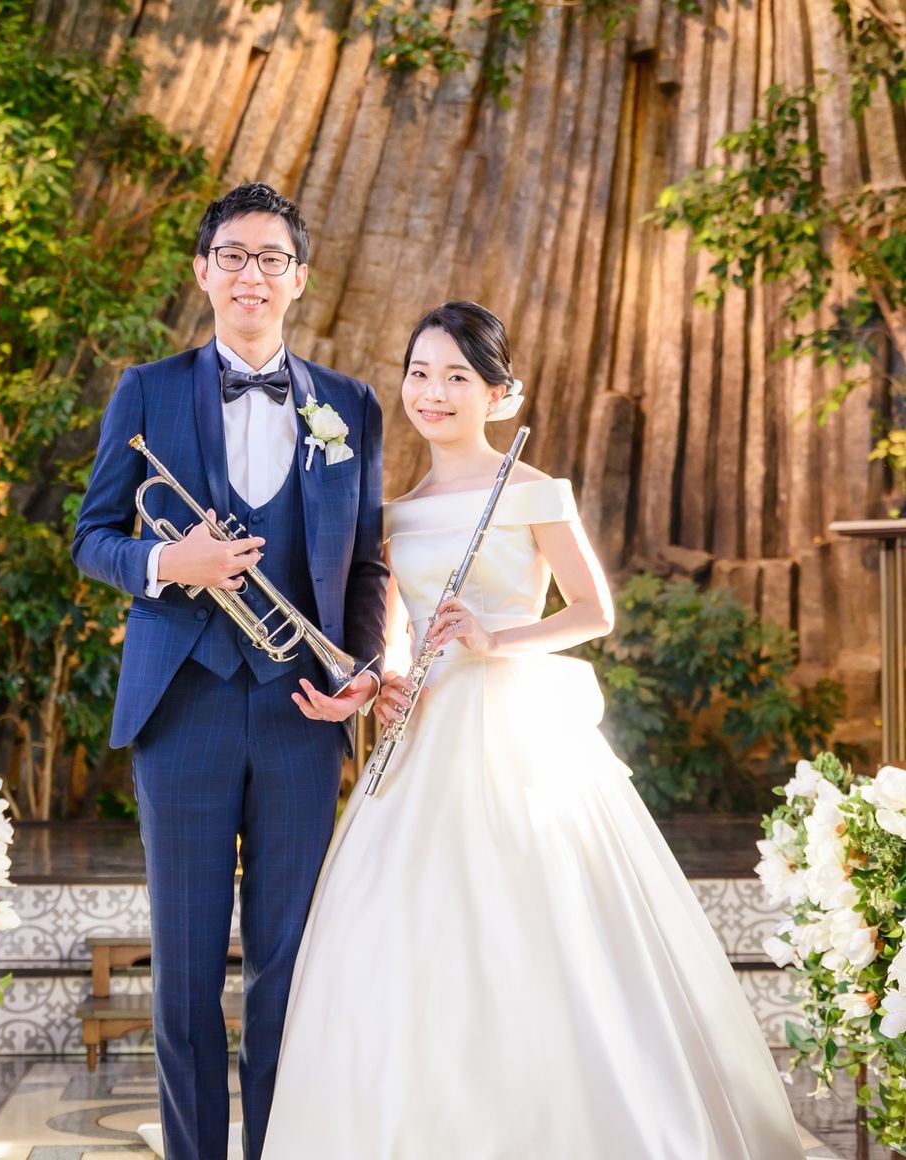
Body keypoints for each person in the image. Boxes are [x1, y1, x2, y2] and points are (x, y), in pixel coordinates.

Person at [261, 301, 805, 1158]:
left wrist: (496, 638)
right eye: (420, 373)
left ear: (499, 393)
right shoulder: (394, 513)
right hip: (425, 740)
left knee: (538, 924)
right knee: (396, 930)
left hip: (512, 731)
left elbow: (593, 610)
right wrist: (383, 683)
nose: (433, 393)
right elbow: (394, 637)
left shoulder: (533, 490)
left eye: (457, 377)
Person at [71, 182, 388, 1160]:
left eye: (271, 259)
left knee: (286, 971)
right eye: (234, 256)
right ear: (203, 272)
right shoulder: (147, 388)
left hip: (301, 711)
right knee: (183, 976)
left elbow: (368, 564)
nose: (253, 275)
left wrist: (364, 666)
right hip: (182, 710)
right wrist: (173, 561)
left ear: (300, 278)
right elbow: (92, 538)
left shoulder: (351, 405)